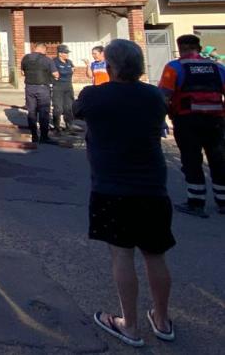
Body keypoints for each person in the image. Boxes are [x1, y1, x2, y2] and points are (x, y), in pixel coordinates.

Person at [74, 39, 175, 348]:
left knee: (121, 254)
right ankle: (161, 319)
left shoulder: (95, 96)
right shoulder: (155, 97)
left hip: (111, 187)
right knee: (154, 254)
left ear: (111, 66)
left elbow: (77, 111)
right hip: (153, 187)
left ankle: (129, 325)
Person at [158, 34, 225, 217]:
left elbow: (164, 96)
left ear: (181, 49)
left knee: (191, 159)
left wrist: (160, 120)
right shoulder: (217, 67)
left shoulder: (174, 67)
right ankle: (223, 201)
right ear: (200, 48)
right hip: (216, 120)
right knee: (218, 159)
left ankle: (196, 202)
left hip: (187, 120)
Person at [20, 42, 58, 143]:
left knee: (31, 112)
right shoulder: (47, 60)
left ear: (35, 48)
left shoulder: (25, 58)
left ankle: (34, 136)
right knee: (44, 112)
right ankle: (44, 137)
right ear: (43, 50)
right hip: (42, 88)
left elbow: (22, 72)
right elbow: (56, 74)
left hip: (29, 88)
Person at [52, 44, 75, 132]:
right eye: (65, 53)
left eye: (67, 53)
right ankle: (56, 127)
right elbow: (53, 73)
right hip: (58, 86)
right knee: (58, 107)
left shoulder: (69, 62)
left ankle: (69, 126)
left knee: (69, 107)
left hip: (68, 86)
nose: (67, 54)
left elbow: (72, 70)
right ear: (60, 53)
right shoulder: (54, 62)